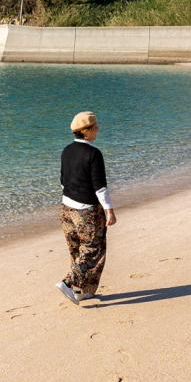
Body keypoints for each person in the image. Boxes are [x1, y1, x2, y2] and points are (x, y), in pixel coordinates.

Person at [58, 110, 116, 307]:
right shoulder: (93, 153)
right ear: (86, 131)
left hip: (67, 208)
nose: (98, 129)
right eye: (95, 127)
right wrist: (109, 210)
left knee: (77, 251)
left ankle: (82, 291)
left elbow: (63, 181)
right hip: (86, 211)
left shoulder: (66, 150)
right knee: (93, 250)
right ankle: (68, 282)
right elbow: (99, 186)